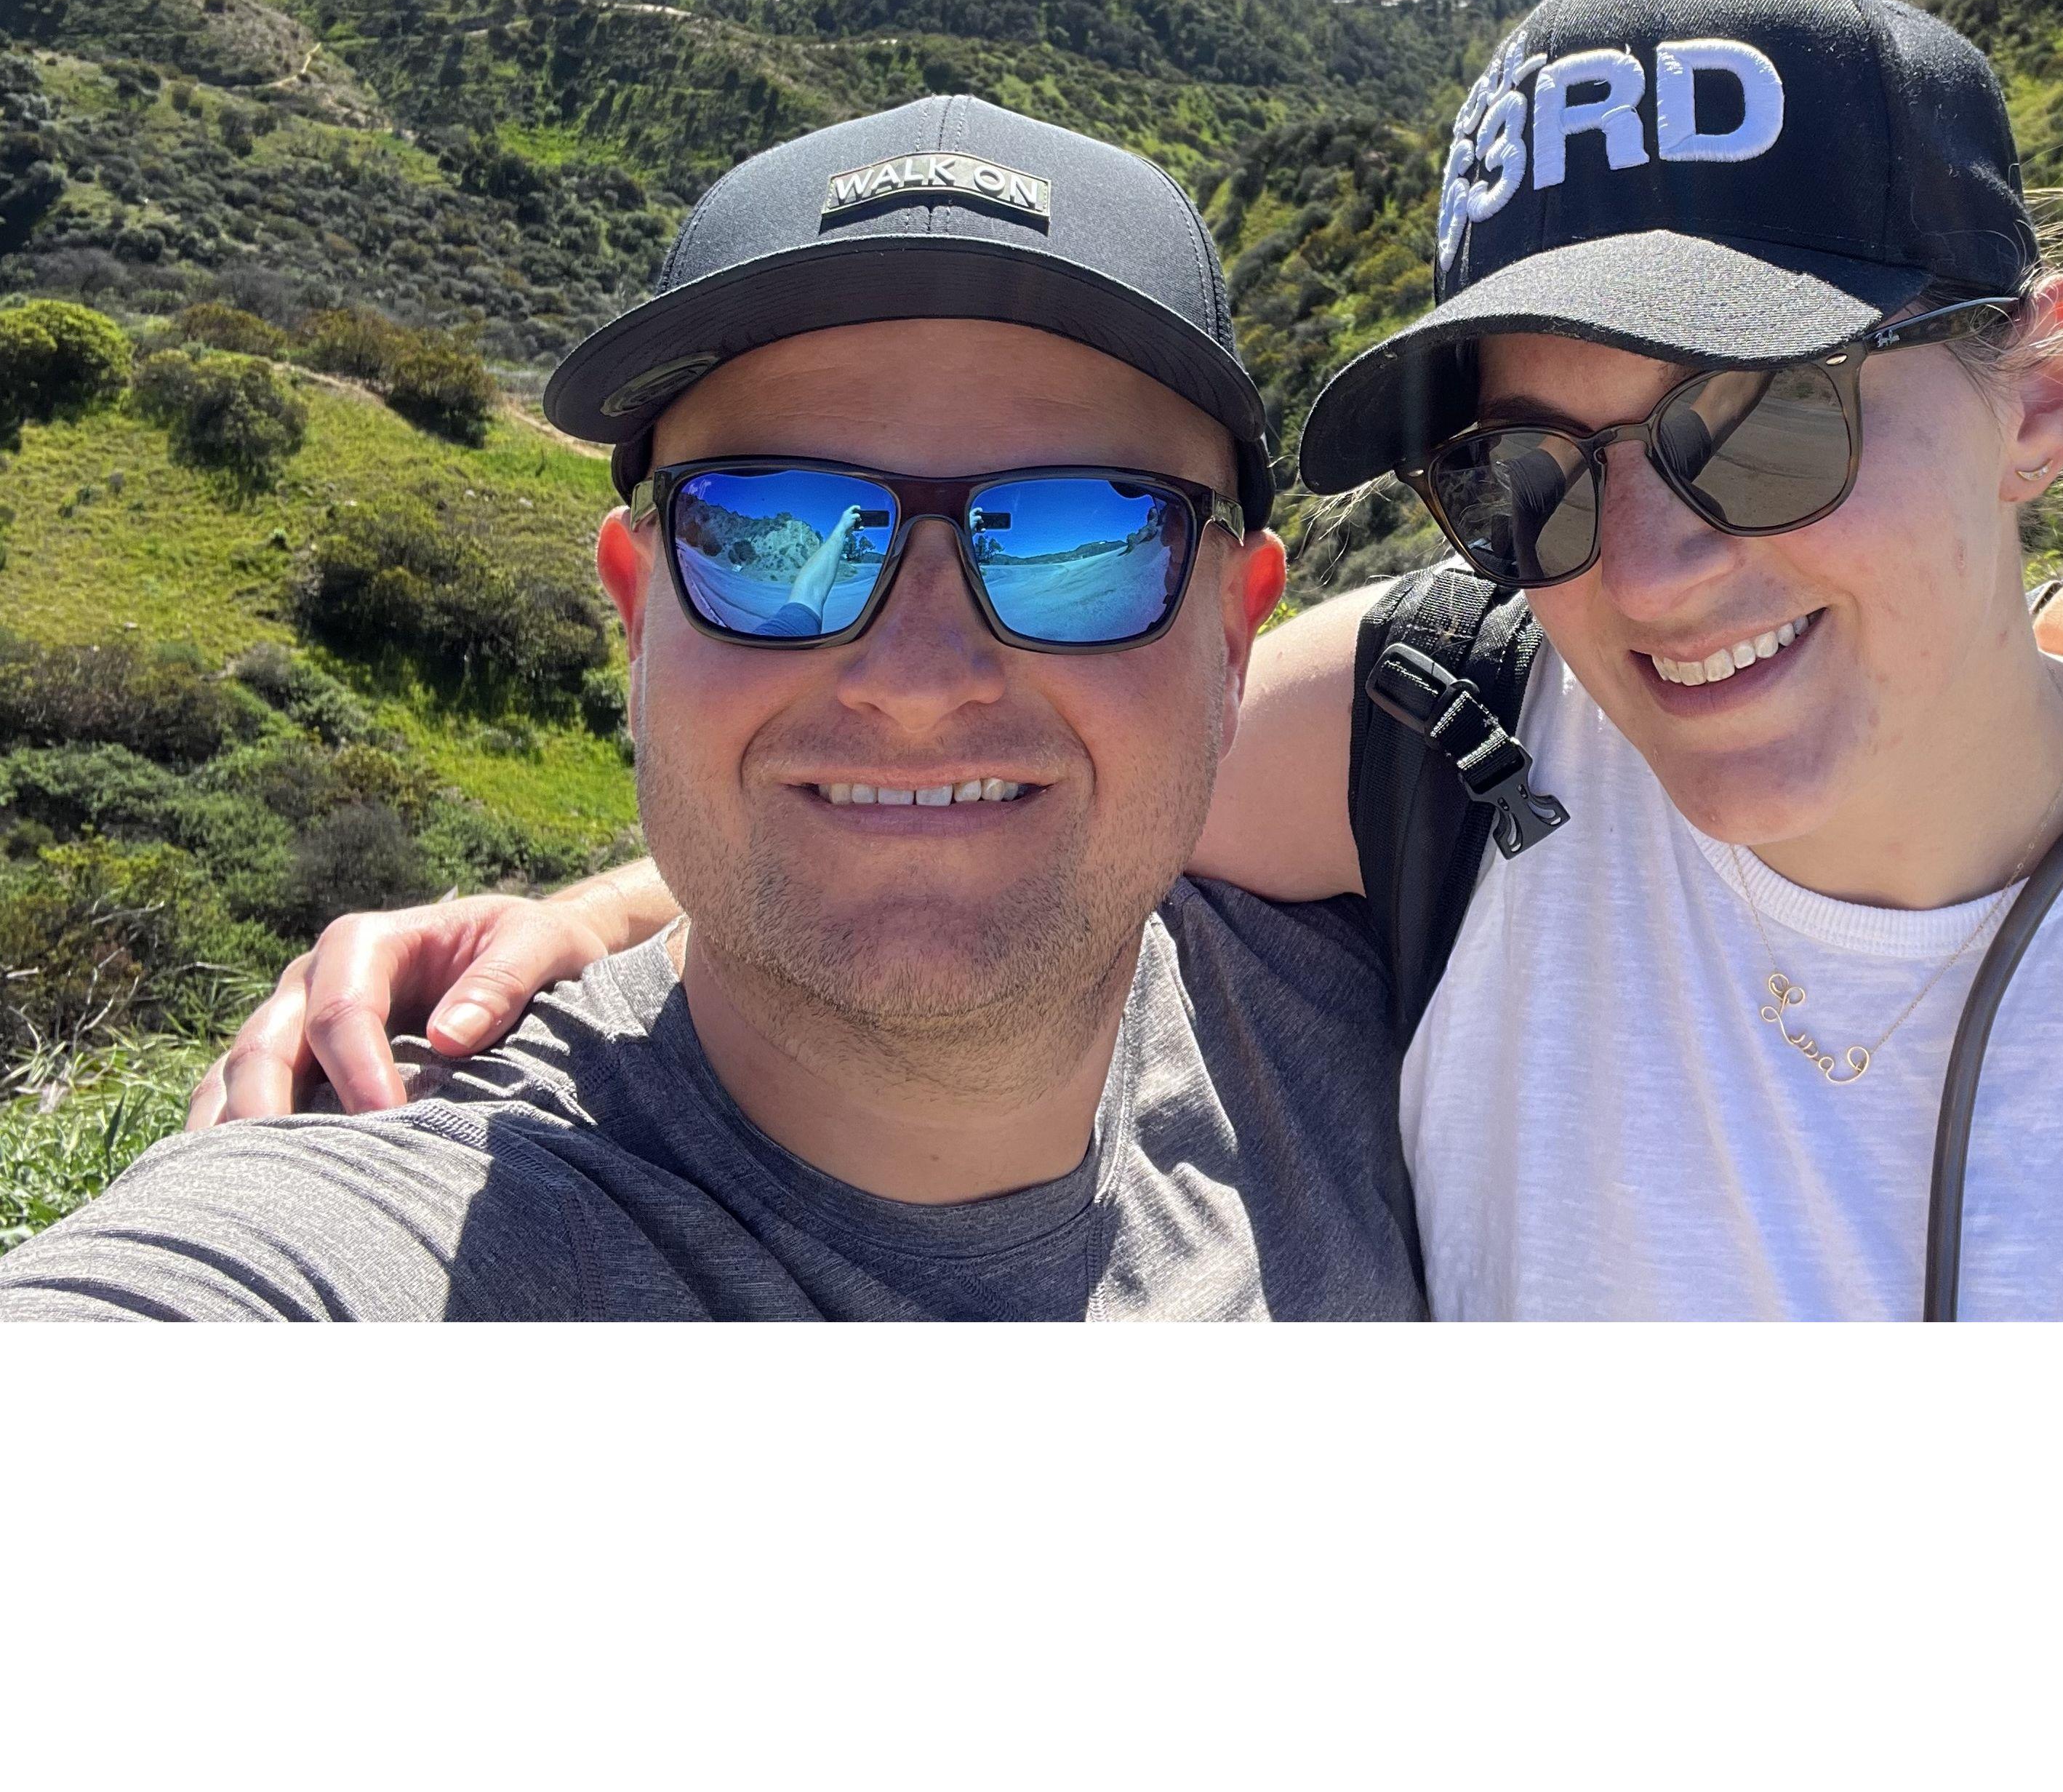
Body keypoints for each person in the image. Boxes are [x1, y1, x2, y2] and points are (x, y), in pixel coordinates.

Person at [183, 0, 2063, 1319]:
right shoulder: (1445, 737)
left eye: (1772, 430)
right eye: (1532, 474)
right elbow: (971, 764)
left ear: (2032, 385)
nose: (1660, 568)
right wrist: (574, 921)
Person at [0, 98, 1424, 1319]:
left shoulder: (1395, 979)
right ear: (639, 615)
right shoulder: (395, 1218)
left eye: (1082, 542)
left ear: (1236, 636)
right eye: (775, 530)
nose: (918, 682)